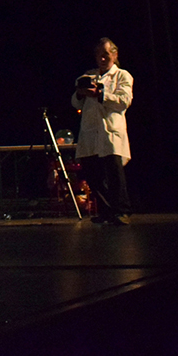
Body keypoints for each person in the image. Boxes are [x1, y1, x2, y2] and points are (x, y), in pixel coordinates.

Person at [71, 37, 133, 225]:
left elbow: (124, 101)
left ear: (114, 55)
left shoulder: (122, 76)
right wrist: (80, 93)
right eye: (99, 55)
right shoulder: (89, 76)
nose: (102, 59)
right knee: (92, 175)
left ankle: (121, 211)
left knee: (114, 175)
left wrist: (102, 95)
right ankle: (106, 211)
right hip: (91, 132)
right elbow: (75, 103)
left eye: (105, 54)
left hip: (110, 132)